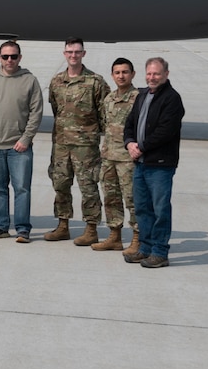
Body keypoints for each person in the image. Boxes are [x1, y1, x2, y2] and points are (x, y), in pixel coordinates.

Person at [0, 41, 43, 242]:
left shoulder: (29, 81)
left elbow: (36, 112)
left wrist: (26, 139)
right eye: (5, 57)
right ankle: (0, 226)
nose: (9, 60)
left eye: (13, 56)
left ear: (20, 58)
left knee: (22, 189)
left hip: (19, 148)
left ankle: (22, 229)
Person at [45, 37, 110, 244]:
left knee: (88, 187)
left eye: (77, 52)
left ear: (83, 54)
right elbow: (57, 110)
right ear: (65, 54)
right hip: (62, 145)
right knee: (60, 185)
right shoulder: (56, 81)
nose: (73, 55)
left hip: (85, 147)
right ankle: (63, 225)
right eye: (70, 52)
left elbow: (104, 114)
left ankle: (91, 229)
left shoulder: (95, 81)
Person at [123, 57, 185, 268]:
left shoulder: (172, 99)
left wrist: (142, 147)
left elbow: (165, 131)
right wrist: (129, 142)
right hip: (140, 162)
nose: (152, 77)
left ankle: (160, 252)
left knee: (160, 209)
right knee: (142, 208)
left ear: (166, 74)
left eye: (156, 74)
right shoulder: (142, 96)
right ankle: (145, 249)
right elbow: (130, 123)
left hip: (159, 164)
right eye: (149, 73)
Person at [93, 58, 141, 253]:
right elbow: (104, 124)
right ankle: (114, 236)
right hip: (109, 157)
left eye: (125, 72)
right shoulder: (109, 99)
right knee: (111, 198)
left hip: (128, 159)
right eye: (117, 72)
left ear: (132, 74)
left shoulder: (139, 98)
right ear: (112, 75)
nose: (121, 76)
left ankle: (138, 238)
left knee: (133, 199)